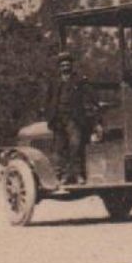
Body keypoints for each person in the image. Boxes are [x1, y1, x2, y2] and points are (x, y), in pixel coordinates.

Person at [41, 52, 98, 184]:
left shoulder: (79, 80)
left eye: (67, 63)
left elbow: (89, 96)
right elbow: (48, 99)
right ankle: (60, 175)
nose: (65, 66)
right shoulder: (54, 81)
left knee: (75, 145)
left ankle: (77, 174)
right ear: (59, 67)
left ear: (71, 65)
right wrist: (49, 115)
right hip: (58, 119)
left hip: (74, 118)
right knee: (59, 147)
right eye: (62, 64)